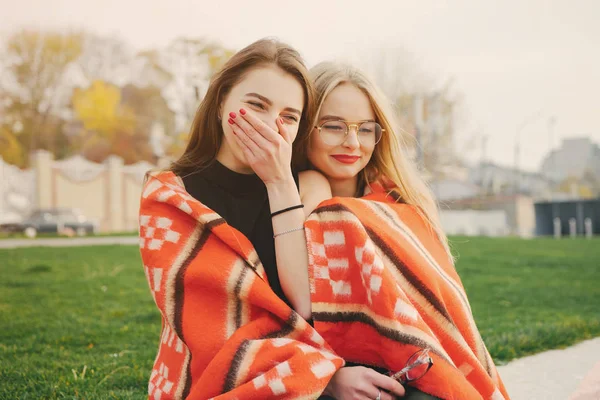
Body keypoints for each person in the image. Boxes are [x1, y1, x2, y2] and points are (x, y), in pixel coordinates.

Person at [139, 39, 404, 400]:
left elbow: (307, 303)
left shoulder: (308, 184)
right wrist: (326, 379)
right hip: (219, 381)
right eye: (256, 106)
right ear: (220, 103)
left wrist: (279, 182)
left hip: (314, 368)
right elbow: (209, 327)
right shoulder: (172, 195)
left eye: (289, 117)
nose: (269, 125)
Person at [292, 62, 510, 400]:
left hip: (417, 365)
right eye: (334, 126)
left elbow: (442, 312)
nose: (352, 142)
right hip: (328, 373)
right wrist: (330, 377)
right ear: (305, 128)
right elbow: (289, 305)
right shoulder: (284, 198)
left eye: (365, 129)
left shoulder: (403, 204)